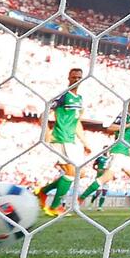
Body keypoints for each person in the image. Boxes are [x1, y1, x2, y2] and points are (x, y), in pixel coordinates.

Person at [35, 68, 91, 217]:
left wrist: (85, 142)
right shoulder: (62, 96)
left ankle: (43, 191)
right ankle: (54, 207)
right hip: (61, 138)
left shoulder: (79, 99)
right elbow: (44, 114)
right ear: (68, 78)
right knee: (71, 173)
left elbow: (77, 122)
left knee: (81, 173)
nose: (76, 79)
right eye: (74, 77)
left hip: (73, 140)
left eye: (79, 77)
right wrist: (46, 132)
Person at [77, 98, 130, 213]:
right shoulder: (124, 115)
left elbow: (124, 133)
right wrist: (128, 125)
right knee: (104, 178)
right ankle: (79, 200)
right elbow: (110, 128)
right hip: (119, 151)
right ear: (128, 105)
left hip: (125, 152)